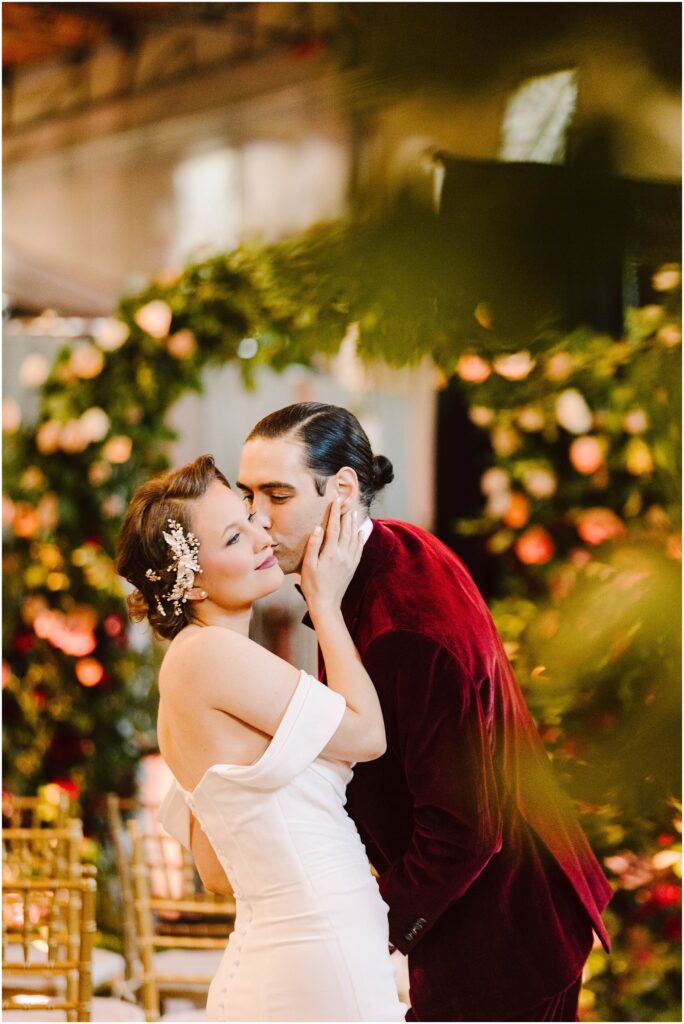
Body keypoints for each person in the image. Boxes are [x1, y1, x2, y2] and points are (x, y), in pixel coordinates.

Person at [237, 402, 614, 1023]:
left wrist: (355, 935)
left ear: (343, 489)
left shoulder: (404, 630)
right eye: (248, 495)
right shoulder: (394, 546)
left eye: (277, 495)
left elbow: (462, 830)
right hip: (496, 910)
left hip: (501, 935)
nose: (257, 519)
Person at [115, 455, 407, 1023]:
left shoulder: (193, 665)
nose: (260, 535)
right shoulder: (209, 655)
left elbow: (218, 872)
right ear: (191, 580)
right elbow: (367, 734)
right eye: (233, 535)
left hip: (308, 954)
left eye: (250, 518)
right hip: (317, 955)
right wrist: (324, 603)